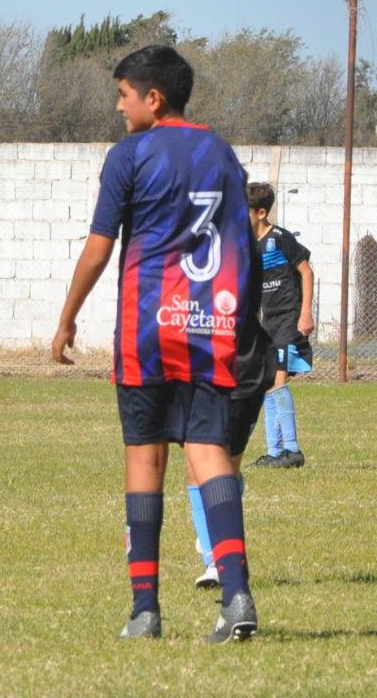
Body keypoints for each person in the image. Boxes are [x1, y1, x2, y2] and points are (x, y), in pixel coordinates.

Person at [51, 45, 258, 642]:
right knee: (208, 453)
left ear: (153, 98)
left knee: (145, 458)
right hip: (210, 327)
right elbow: (239, 244)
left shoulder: (130, 155)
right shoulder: (221, 153)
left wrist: (66, 318)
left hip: (148, 328)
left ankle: (145, 610)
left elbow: (99, 246)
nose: (119, 107)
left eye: (122, 94)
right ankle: (237, 595)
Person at [187, 239, 276, 588]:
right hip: (199, 369)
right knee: (199, 463)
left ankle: (217, 526)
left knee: (224, 468)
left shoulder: (238, 249)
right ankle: (215, 558)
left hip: (242, 370)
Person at [247, 182, 314, 469]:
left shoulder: (280, 238)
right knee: (268, 386)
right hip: (268, 323)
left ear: (261, 213)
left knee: (277, 382)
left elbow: (306, 271)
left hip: (288, 319)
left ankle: (292, 450)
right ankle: (275, 453)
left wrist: (306, 313)